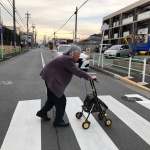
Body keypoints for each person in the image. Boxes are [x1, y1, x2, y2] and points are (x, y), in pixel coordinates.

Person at [36, 45, 96, 127]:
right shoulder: (68, 59)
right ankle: (58, 121)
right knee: (61, 101)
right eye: (78, 53)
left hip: (49, 78)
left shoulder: (65, 57)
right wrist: (89, 77)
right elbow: (77, 71)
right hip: (53, 80)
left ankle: (42, 112)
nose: (79, 55)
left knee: (51, 100)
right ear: (73, 53)